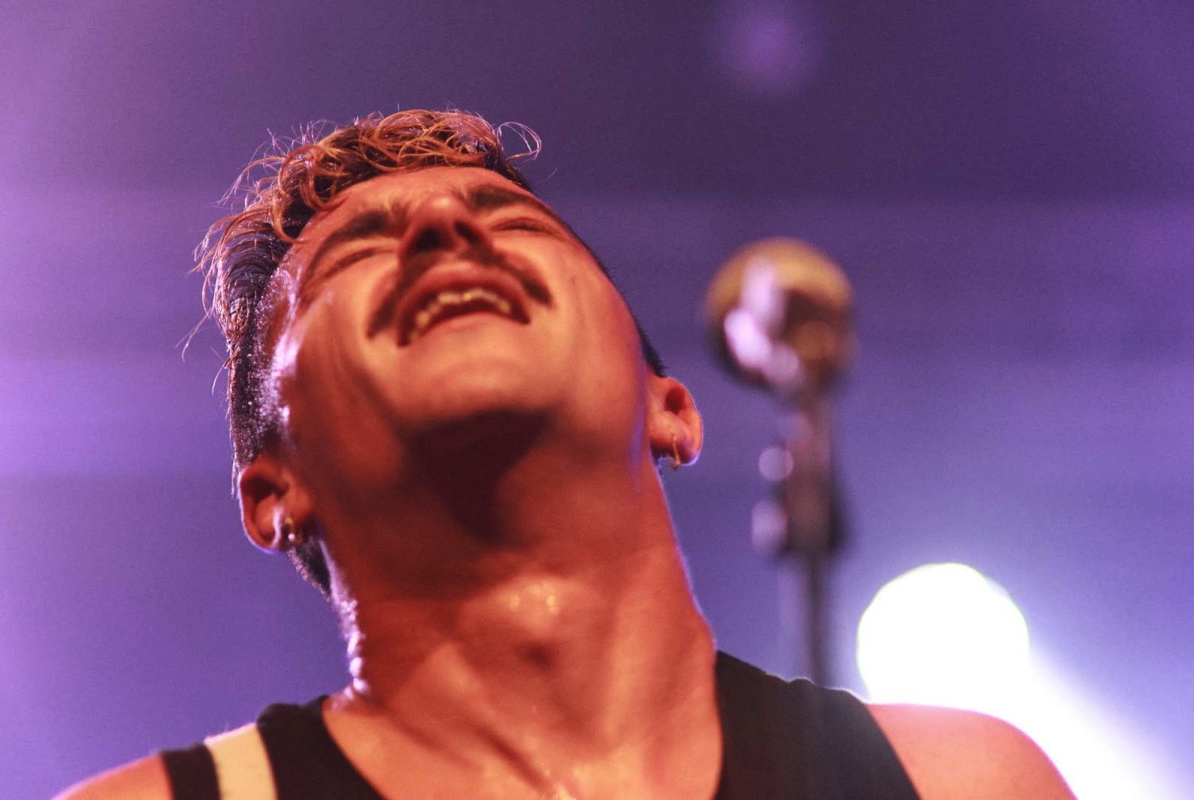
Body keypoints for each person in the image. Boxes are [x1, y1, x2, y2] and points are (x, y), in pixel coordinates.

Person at [59, 110, 1074, 799]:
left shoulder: (964, 782)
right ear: (273, 490)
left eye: (511, 222)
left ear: (671, 407)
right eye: (357, 252)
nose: (445, 225)